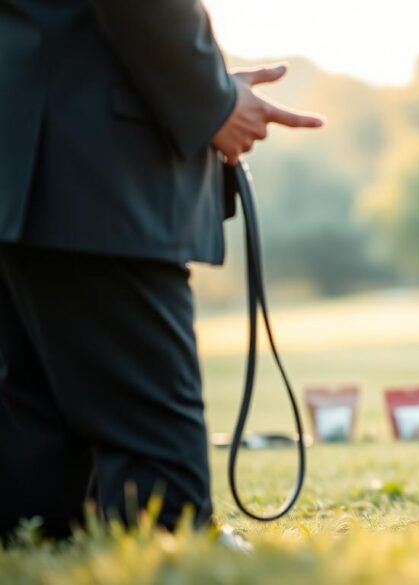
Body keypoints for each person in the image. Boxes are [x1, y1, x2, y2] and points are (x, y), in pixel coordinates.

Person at [0, 0, 323, 540]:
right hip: (96, 170)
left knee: (33, 425)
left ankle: (42, 536)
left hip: (26, 154)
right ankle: (169, 535)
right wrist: (213, 102)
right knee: (150, 444)